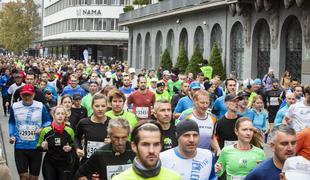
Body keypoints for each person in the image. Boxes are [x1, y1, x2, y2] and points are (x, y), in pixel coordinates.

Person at [112, 120, 181, 180]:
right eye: (145, 144)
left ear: (161, 146)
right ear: (134, 146)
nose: (151, 150)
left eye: (156, 144)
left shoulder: (175, 177)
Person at [9, 84, 51, 180]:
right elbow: (11, 122)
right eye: (24, 95)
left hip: (36, 146)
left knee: (33, 178)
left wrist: (42, 128)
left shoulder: (40, 106)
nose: (26, 97)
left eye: (29, 95)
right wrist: (11, 135)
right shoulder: (15, 106)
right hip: (20, 147)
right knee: (23, 177)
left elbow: (48, 121)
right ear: (20, 95)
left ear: (33, 95)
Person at [37, 106, 75, 180]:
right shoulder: (46, 130)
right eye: (58, 113)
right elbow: (38, 147)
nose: (60, 116)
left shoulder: (70, 130)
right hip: (49, 164)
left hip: (64, 163)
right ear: (53, 115)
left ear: (65, 116)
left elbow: (74, 146)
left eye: (62, 114)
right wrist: (42, 147)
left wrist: (70, 148)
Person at [75, 93, 111, 166]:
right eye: (97, 106)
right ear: (92, 106)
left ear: (107, 107)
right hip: (88, 162)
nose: (100, 109)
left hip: (105, 162)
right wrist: (78, 148)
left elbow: (119, 142)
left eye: (103, 106)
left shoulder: (112, 123)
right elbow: (77, 137)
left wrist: (112, 142)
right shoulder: (83, 122)